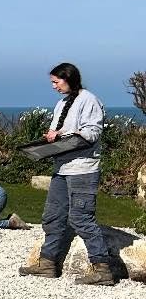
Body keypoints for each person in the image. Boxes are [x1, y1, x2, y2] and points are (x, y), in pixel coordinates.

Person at [20, 62, 114, 285]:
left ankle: (103, 269)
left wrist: (61, 136)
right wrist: (49, 140)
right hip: (61, 168)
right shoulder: (62, 102)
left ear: (68, 78)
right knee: (53, 216)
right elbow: (61, 133)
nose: (53, 86)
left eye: (56, 82)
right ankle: (48, 264)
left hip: (82, 169)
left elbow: (91, 133)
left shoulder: (88, 100)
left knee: (81, 218)